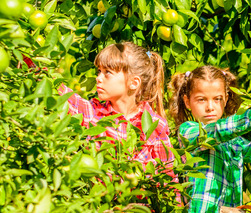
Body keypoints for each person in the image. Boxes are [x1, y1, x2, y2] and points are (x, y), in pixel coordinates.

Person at [169, 65, 251, 213]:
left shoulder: (234, 143)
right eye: (201, 100)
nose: (210, 107)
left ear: (225, 99)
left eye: (217, 99)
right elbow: (217, 131)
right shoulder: (188, 131)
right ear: (187, 102)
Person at [55, 42, 175, 173]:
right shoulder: (92, 113)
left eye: (107, 72)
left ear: (133, 83)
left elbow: (167, 177)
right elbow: (56, 91)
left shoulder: (155, 126)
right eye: (99, 71)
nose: (98, 78)